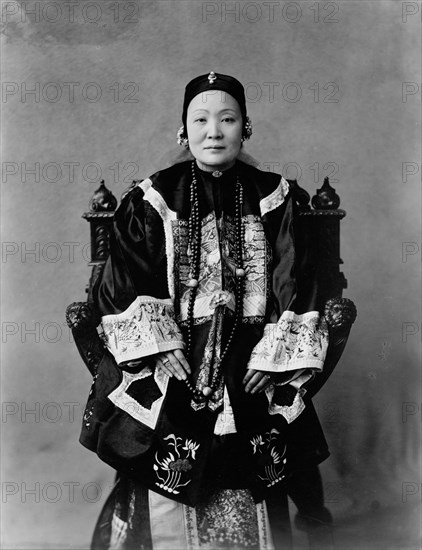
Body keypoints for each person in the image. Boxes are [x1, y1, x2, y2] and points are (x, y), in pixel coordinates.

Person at [87, 72, 335, 550]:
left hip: (253, 349)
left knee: (260, 411)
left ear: (247, 127)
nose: (214, 131)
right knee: (168, 416)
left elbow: (296, 276)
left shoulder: (273, 195)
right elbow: (123, 281)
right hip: (177, 350)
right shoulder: (152, 198)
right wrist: (158, 347)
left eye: (227, 119)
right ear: (183, 131)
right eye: (200, 120)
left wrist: (273, 354)